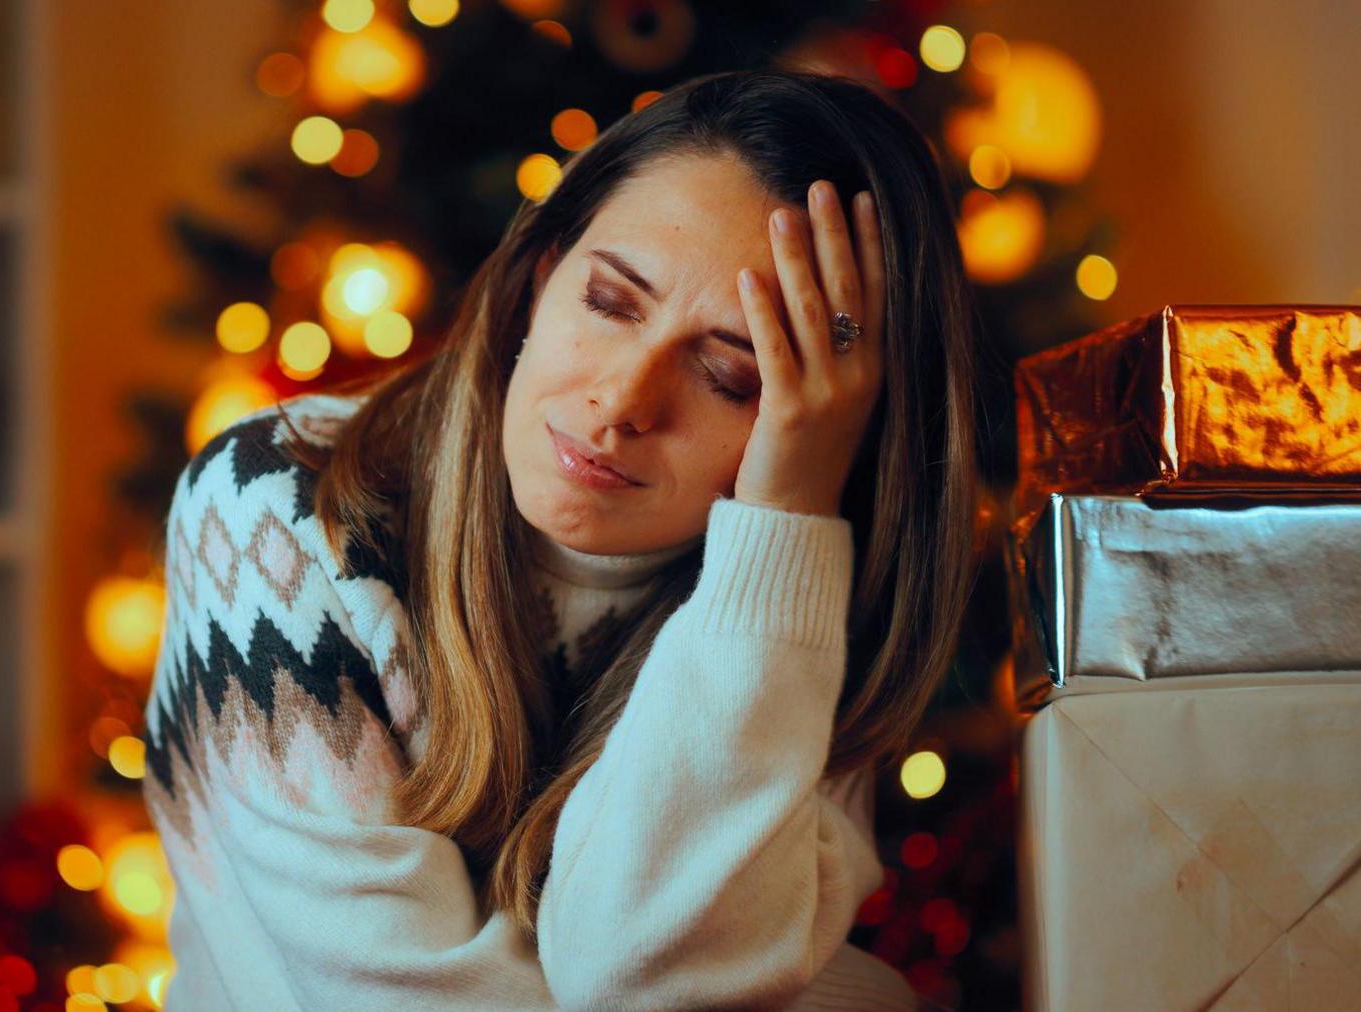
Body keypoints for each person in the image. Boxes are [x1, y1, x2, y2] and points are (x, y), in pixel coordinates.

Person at [142, 67, 981, 1010]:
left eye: (731, 376)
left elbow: (658, 977)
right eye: (610, 304)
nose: (621, 401)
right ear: (543, 278)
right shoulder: (275, 501)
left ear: (825, 426)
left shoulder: (797, 599)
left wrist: (783, 530)